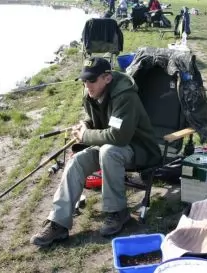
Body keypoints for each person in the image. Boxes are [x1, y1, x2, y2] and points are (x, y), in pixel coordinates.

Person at [30, 57, 162, 247]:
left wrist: (85, 136)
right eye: (84, 80)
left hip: (140, 149)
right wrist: (84, 125)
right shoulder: (90, 93)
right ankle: (58, 223)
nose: (87, 85)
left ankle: (118, 213)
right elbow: (93, 120)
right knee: (77, 161)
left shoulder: (125, 95)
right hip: (110, 146)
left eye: (92, 80)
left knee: (109, 152)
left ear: (107, 78)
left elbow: (119, 137)